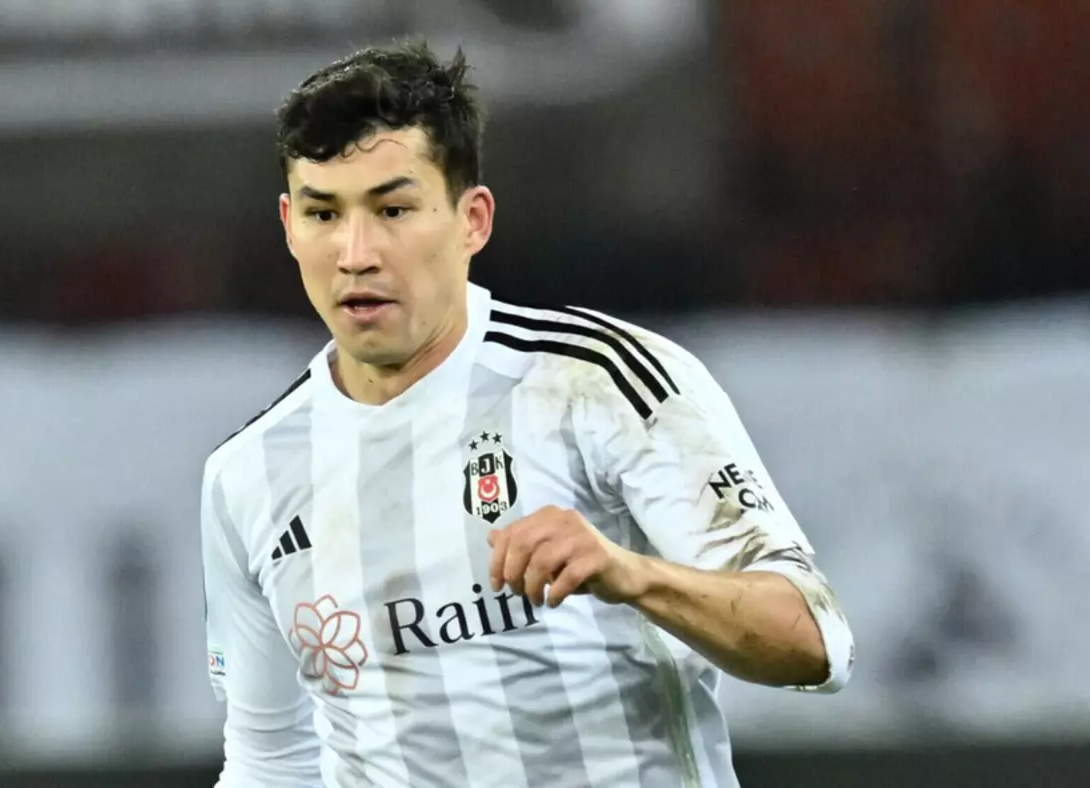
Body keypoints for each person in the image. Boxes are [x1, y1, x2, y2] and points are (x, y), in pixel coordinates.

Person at [200, 39, 854, 788]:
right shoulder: (245, 476)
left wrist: (631, 576)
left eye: (393, 209)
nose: (356, 253)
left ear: (472, 220)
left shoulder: (596, 382)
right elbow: (269, 760)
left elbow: (816, 641)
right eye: (324, 213)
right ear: (289, 225)